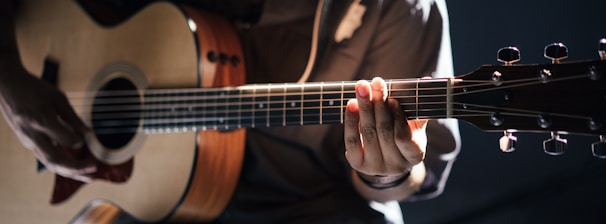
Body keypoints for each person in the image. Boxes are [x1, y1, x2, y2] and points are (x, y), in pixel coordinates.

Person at [0, 0, 460, 223]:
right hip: (142, 206)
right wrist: (7, 77)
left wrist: (386, 171)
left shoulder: (402, 8)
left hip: (303, 207)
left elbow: (410, 178)